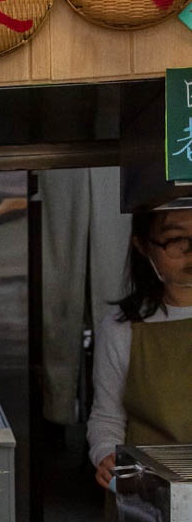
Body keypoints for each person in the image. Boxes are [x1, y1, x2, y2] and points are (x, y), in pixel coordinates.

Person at [87, 207, 192, 489]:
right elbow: (107, 416)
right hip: (148, 489)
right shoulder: (122, 328)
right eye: (175, 239)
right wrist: (106, 455)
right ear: (143, 246)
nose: (190, 250)